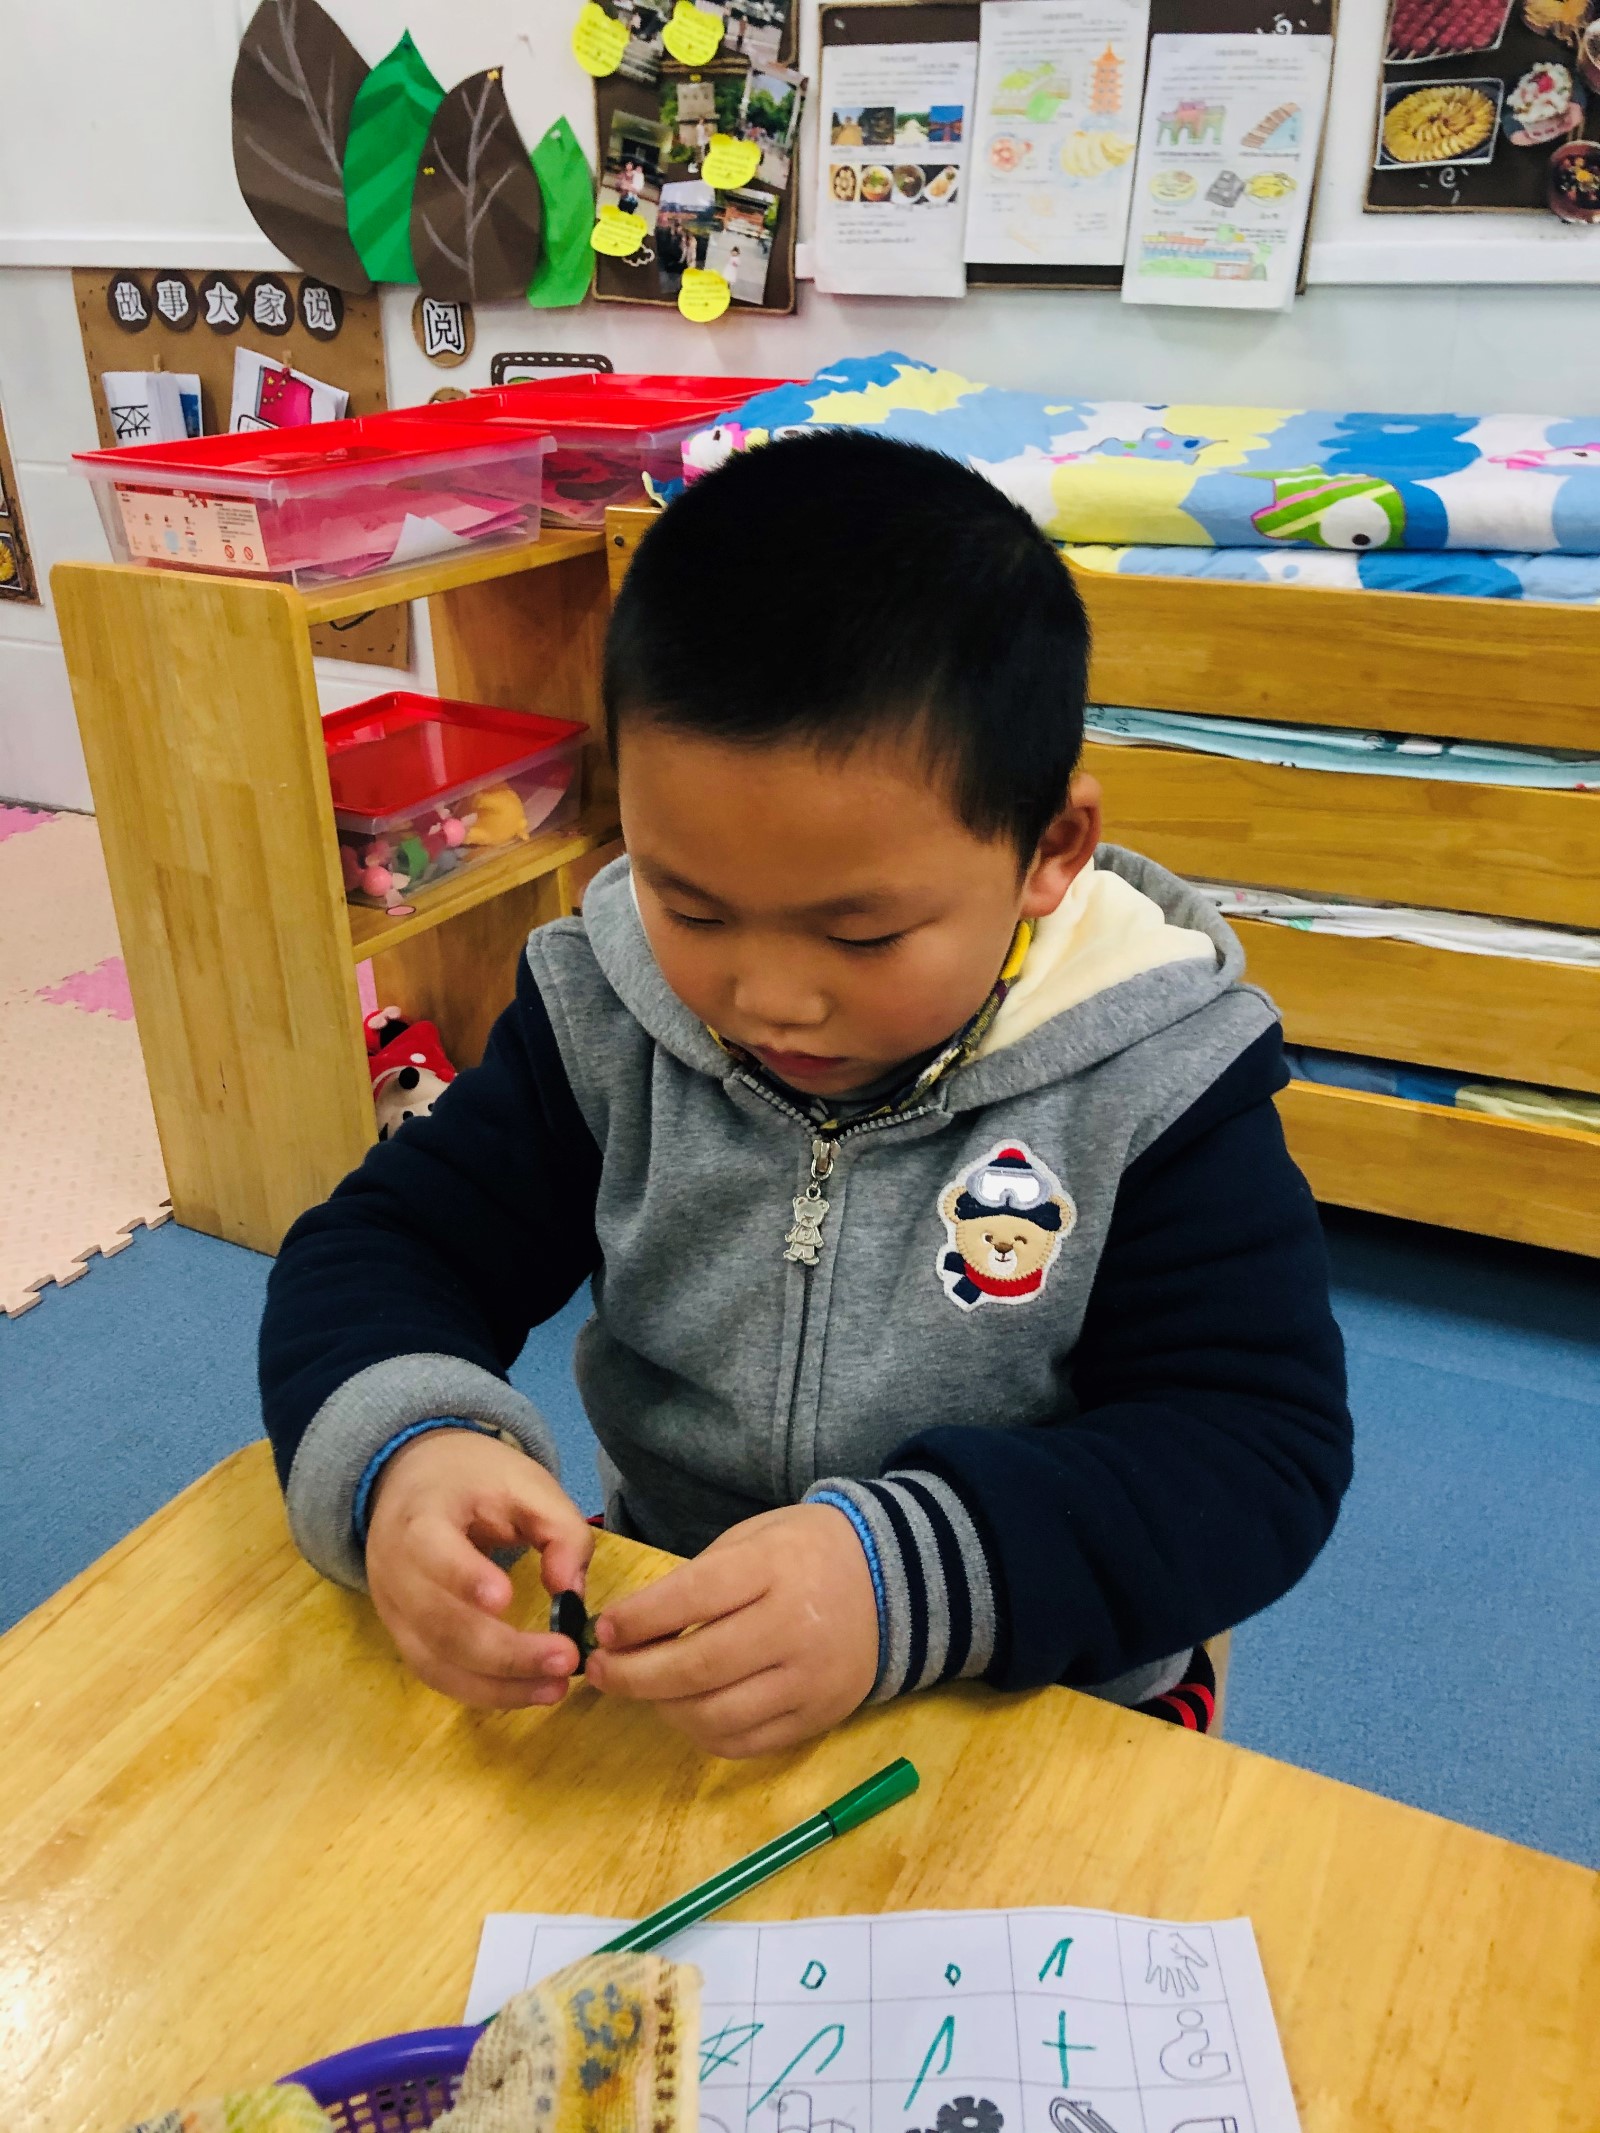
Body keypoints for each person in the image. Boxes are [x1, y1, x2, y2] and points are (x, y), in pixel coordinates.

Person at [260, 433, 1351, 1757]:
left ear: (1050, 849)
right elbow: (388, 1245)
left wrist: (902, 1579)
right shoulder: (605, 1017)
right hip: (680, 1643)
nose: (770, 1001)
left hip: (1032, 1684)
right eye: (692, 905)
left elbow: (1251, 1452)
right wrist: (411, 1448)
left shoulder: (1158, 1079)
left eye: (860, 934)